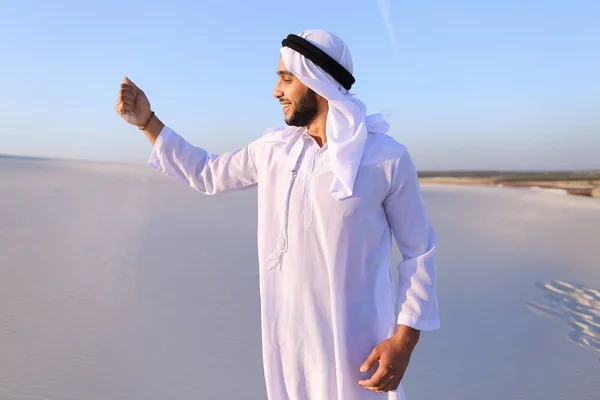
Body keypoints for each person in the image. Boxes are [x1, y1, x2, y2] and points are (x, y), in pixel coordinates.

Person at [115, 29, 439, 400]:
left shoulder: (386, 158)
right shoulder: (274, 150)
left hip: (357, 352)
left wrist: (404, 341)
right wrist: (146, 121)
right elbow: (207, 172)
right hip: (287, 346)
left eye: (286, 79)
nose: (276, 91)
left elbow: (420, 252)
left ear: (317, 82)